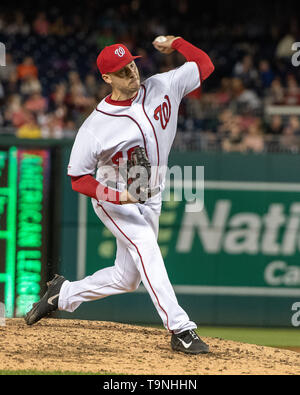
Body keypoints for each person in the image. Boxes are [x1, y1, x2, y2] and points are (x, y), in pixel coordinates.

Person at [25, 35, 214, 354]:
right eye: (123, 71)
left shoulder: (163, 85)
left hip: (152, 191)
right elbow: (77, 178)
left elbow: (205, 65)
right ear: (107, 78)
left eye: (132, 65)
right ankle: (181, 328)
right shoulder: (96, 126)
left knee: (127, 278)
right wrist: (118, 196)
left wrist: (178, 43)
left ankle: (64, 294)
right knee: (146, 246)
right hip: (114, 195)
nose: (132, 73)